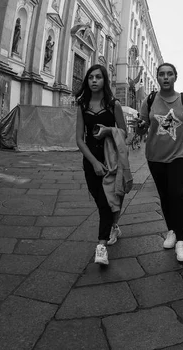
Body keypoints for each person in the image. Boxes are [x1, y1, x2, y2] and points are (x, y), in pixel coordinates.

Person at [137, 63, 183, 262]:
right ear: (157, 78)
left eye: (169, 74)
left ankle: (181, 241)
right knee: (164, 196)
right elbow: (141, 130)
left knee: (177, 194)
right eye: (162, 74)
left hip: (179, 156)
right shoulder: (149, 101)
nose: (166, 77)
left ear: (175, 77)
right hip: (155, 157)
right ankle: (172, 231)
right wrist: (140, 127)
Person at [75, 64, 128, 266]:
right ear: (87, 81)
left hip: (111, 159)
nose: (94, 80)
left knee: (107, 203)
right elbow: (79, 139)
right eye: (90, 77)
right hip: (91, 161)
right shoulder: (82, 106)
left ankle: (101, 247)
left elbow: (124, 132)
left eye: (98, 77)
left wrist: (109, 131)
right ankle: (114, 225)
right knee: (101, 202)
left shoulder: (113, 104)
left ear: (105, 80)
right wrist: (94, 162)